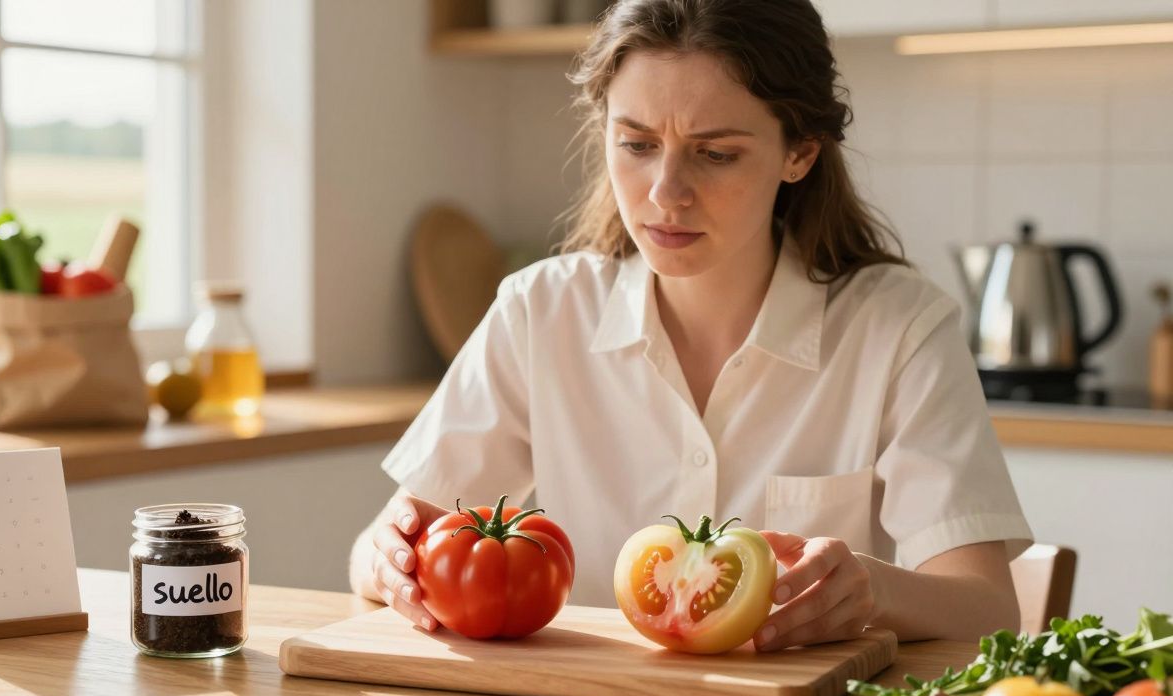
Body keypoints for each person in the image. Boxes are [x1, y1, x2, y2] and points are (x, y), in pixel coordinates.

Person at [349, 0, 1033, 652]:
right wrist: (387, 563)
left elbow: (986, 607)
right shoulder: (540, 311)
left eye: (715, 153)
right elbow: (378, 554)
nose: (664, 193)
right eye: (637, 144)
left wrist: (871, 588)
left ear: (800, 152)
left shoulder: (900, 328)